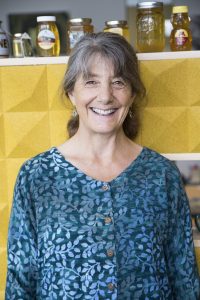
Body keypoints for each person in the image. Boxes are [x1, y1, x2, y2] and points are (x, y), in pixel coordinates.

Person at [5, 32, 200, 299]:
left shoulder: (162, 174)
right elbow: (21, 280)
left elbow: (184, 276)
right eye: (91, 82)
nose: (105, 96)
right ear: (71, 92)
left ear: (132, 94)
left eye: (118, 82)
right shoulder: (36, 176)